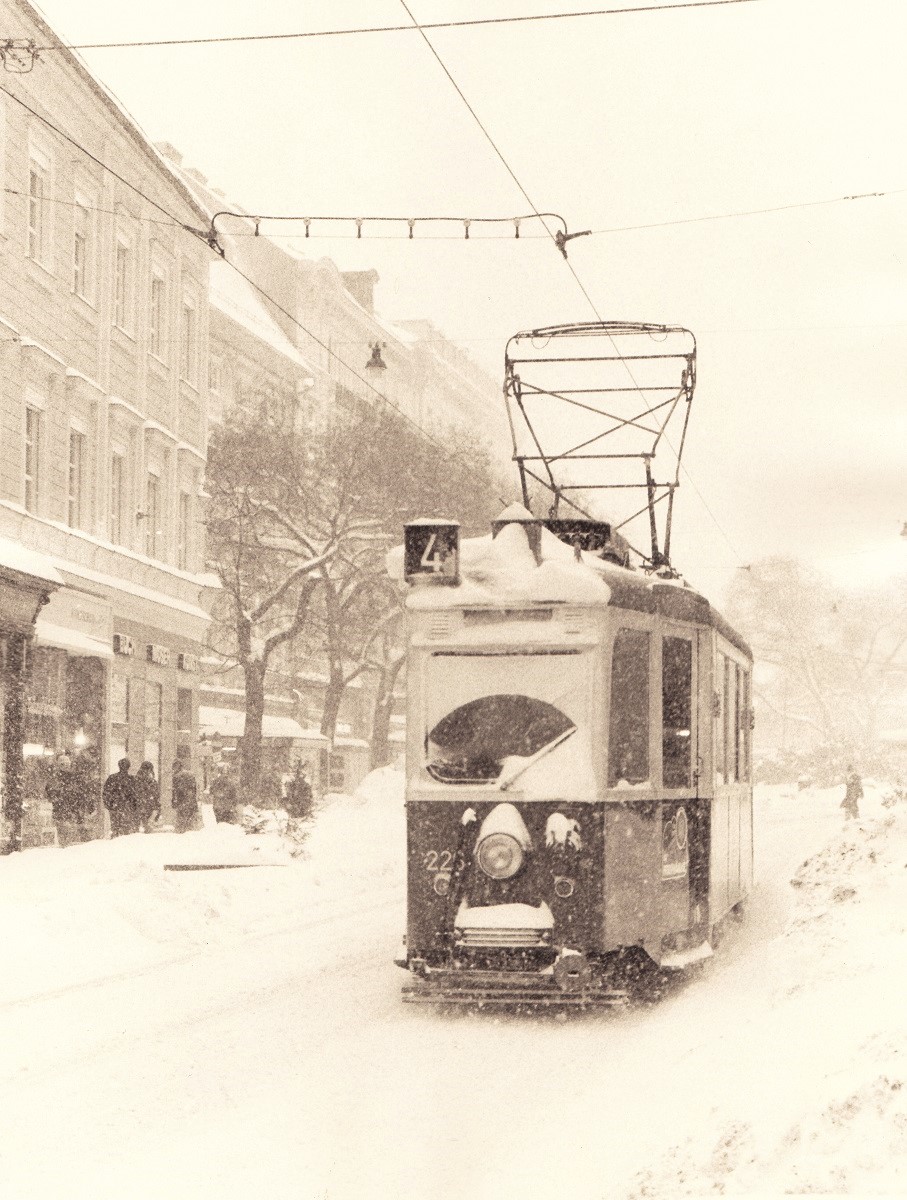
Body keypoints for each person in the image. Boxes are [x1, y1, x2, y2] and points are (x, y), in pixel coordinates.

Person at [103, 758, 137, 837]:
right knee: (125, 829)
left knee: (115, 827)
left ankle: (115, 838)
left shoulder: (112, 778)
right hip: (126, 807)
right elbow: (135, 795)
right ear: (129, 767)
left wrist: (109, 804)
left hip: (115, 806)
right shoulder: (131, 779)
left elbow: (106, 792)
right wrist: (134, 806)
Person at [172, 759, 200, 833]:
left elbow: (176, 790)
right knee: (189, 818)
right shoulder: (190, 774)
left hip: (182, 800)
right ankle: (189, 830)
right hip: (191, 800)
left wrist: (174, 801)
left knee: (181, 818)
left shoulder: (176, 776)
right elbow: (194, 789)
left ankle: (181, 831)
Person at [134, 761, 161, 832]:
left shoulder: (135, 780)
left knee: (136, 832)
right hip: (146, 810)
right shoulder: (152, 782)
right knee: (146, 830)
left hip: (140, 809)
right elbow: (156, 797)